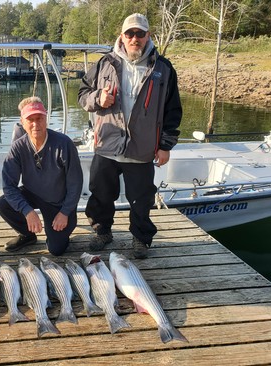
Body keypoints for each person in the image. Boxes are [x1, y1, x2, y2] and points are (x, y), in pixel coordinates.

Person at [78, 13, 182, 259]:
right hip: (107, 145)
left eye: (140, 34)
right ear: (121, 36)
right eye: (130, 34)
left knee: (141, 199)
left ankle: (141, 239)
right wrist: (97, 99)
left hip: (142, 148)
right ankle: (102, 232)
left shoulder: (163, 68)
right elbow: (82, 94)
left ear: (148, 36)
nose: (135, 38)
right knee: (100, 195)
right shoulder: (104, 63)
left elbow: (173, 110)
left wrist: (165, 145)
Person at [0, 96, 83, 256]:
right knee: (3, 203)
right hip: (32, 194)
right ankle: (27, 235)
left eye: (40, 118)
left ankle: (61, 234)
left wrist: (65, 212)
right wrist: (28, 211)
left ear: (46, 118)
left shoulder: (64, 143)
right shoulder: (18, 147)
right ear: (22, 122)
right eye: (30, 119)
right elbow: (9, 186)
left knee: (56, 250)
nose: (36, 124)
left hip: (58, 202)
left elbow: (75, 184)